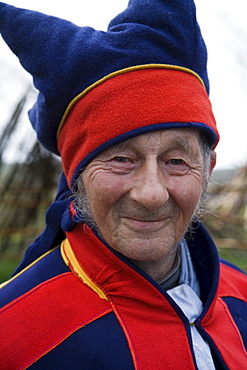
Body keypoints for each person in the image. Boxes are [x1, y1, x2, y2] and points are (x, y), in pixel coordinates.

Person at [0, 1, 246, 369]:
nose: (151, 194)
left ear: (208, 168)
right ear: (77, 174)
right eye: (121, 159)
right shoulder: (13, 334)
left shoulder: (241, 296)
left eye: (176, 161)